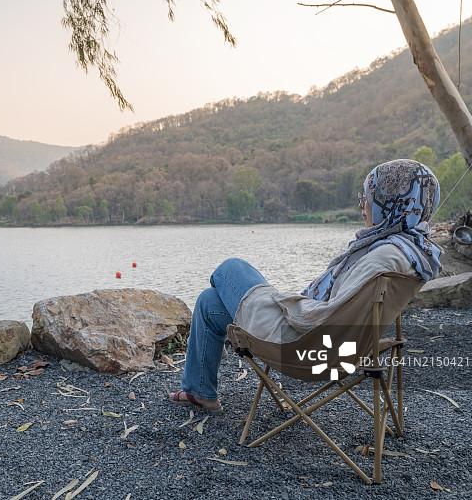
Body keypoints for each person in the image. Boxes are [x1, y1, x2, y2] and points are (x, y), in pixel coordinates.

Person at [169, 159, 442, 413]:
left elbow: (321, 317)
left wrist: (286, 303)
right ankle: (200, 392)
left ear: (390, 203)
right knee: (209, 301)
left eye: (368, 199)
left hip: (305, 347)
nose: (362, 206)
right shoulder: (412, 251)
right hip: (344, 346)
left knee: (231, 268)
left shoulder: (382, 258)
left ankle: (209, 370)